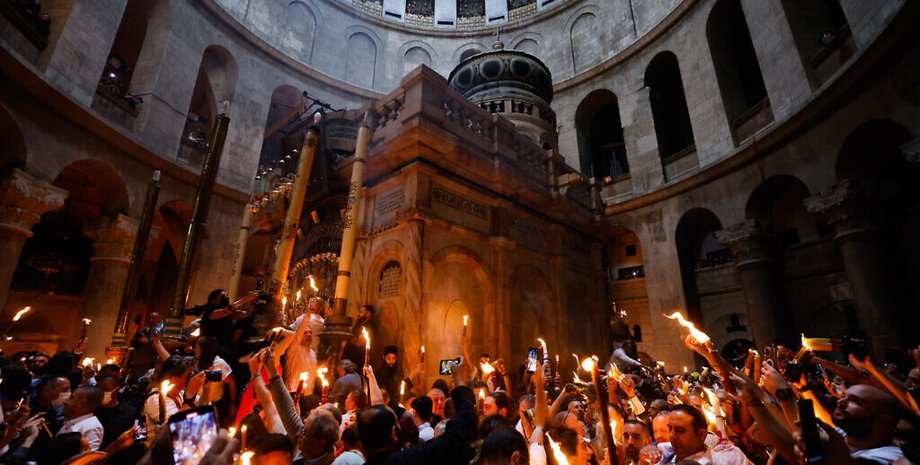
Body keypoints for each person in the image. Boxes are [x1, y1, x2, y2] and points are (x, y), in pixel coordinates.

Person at [357, 359, 478, 465]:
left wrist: (371, 376)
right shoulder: (409, 459)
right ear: (394, 433)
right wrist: (459, 381)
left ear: (360, 444)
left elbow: (378, 408)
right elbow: (460, 434)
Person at [833, 384, 906, 463]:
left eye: (855, 400)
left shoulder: (893, 455)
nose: (839, 401)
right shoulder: (841, 432)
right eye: (844, 396)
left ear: (883, 420)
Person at [93, 375, 137, 449]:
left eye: (106, 389)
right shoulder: (92, 410)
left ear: (116, 390)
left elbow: (140, 437)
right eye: (99, 389)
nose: (101, 392)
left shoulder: (133, 411)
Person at [58, 385, 105, 451]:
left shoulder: (91, 427)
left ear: (82, 403)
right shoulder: (73, 421)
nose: (65, 402)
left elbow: (87, 456)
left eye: (71, 398)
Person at [129, 312, 162, 377]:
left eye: (153, 318)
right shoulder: (145, 329)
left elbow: (150, 341)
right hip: (137, 361)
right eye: (150, 318)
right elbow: (133, 342)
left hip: (148, 362)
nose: (151, 320)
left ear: (159, 320)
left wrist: (144, 340)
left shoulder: (159, 331)